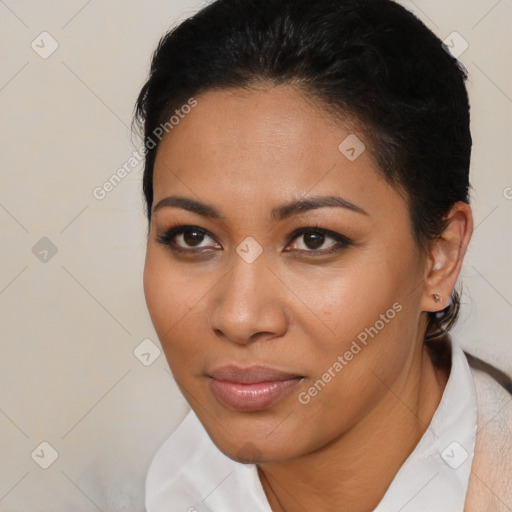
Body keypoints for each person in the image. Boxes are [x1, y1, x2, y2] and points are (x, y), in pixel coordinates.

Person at [134, 0, 512, 510]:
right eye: (193, 237)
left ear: (438, 257)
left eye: (314, 239)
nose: (240, 317)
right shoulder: (172, 484)